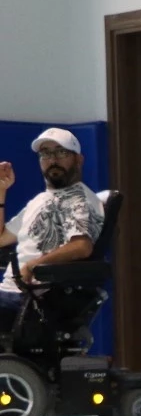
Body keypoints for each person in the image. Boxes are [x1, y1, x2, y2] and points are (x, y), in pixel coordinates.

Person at [0, 128, 105, 325]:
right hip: (8, 293)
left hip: (34, 298)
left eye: (61, 152)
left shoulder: (80, 200)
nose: (53, 160)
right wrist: (1, 191)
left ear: (79, 159)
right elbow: (1, 238)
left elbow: (82, 246)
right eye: (45, 154)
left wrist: (33, 265)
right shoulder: (39, 201)